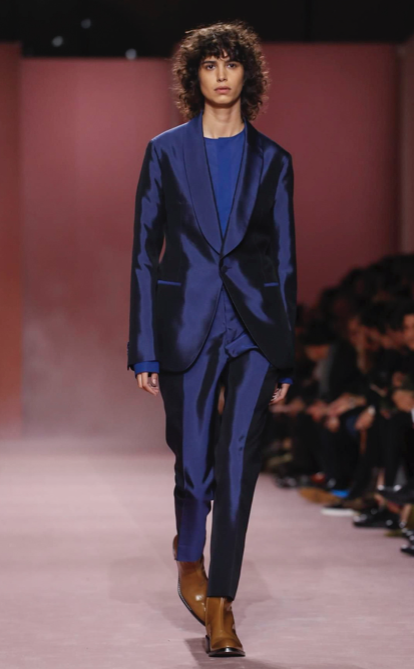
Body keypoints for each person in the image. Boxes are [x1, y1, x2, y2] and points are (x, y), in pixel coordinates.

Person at [126, 20, 297, 657]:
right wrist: (143, 345)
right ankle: (188, 556)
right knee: (194, 465)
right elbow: (144, 254)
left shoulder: (274, 160)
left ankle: (222, 605)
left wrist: (285, 355)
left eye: (231, 63)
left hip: (253, 328)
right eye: (209, 64)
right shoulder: (164, 152)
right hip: (186, 323)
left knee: (238, 461)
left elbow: (284, 261)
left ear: (248, 75)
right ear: (193, 76)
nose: (221, 75)